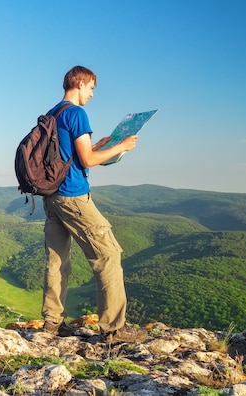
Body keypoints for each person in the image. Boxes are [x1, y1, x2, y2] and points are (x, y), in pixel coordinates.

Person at [41, 65, 147, 343]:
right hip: (73, 196)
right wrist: (121, 147)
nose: (92, 94)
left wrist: (99, 145)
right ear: (79, 83)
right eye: (91, 88)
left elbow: (73, 156)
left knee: (56, 260)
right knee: (108, 254)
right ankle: (114, 329)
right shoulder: (77, 113)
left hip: (52, 197)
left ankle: (52, 323)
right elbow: (87, 161)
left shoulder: (54, 113)